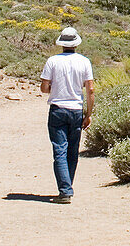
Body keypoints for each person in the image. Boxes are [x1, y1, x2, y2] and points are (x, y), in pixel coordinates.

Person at [40, 27, 94, 204]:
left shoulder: (52, 61)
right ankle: (67, 187)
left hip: (58, 109)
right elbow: (90, 89)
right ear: (76, 43)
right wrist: (89, 114)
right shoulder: (84, 61)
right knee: (72, 151)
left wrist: (53, 88)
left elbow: (44, 87)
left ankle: (65, 190)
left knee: (59, 150)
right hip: (76, 110)